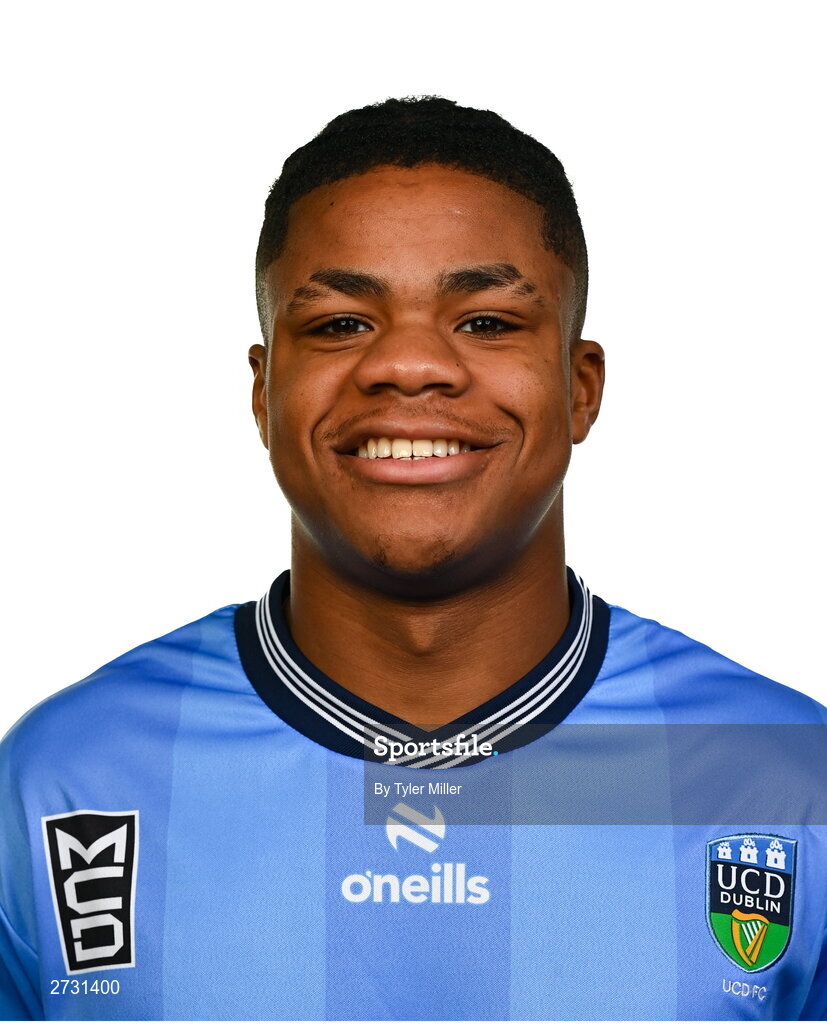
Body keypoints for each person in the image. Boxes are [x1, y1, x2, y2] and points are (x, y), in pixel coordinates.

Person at [1, 96, 825, 1022]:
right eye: (341, 323)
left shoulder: (788, 779)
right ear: (265, 389)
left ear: (580, 387)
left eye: (485, 321)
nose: (408, 365)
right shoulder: (64, 781)